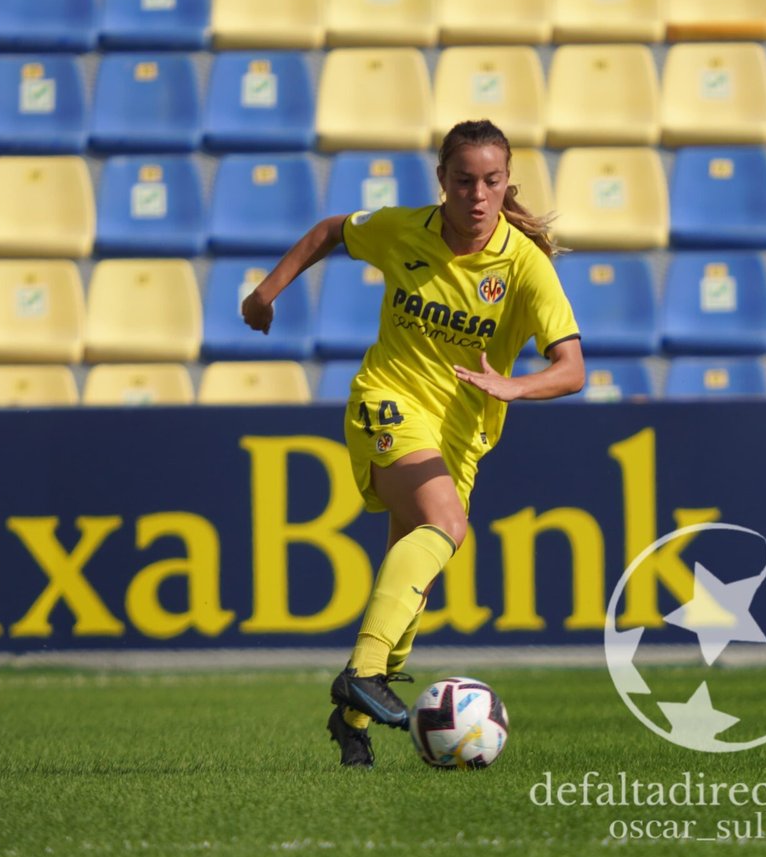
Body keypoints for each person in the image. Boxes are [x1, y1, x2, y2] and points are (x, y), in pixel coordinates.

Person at [241, 120, 584, 768]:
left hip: (459, 436)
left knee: (413, 568)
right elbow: (329, 232)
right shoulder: (405, 229)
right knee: (446, 523)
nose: (478, 195)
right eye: (464, 182)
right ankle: (361, 673)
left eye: (491, 181)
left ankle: (351, 721)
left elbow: (572, 366)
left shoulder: (523, 266)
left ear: (506, 182)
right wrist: (266, 292)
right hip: (387, 399)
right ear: (442, 184)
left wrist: (514, 385)